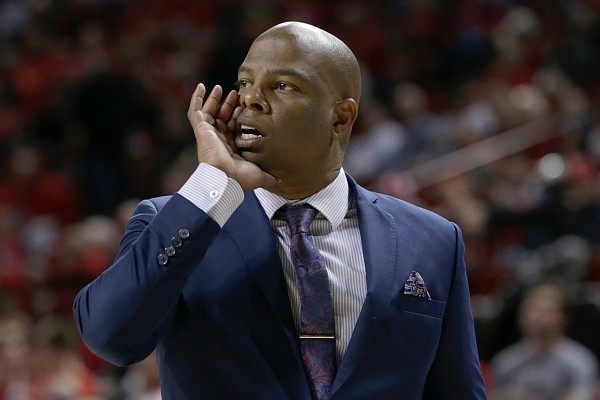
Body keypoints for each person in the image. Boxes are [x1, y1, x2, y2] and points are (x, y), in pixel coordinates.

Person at [73, 21, 487, 399]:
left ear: (341, 117)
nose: (251, 98)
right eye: (245, 82)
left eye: (283, 86)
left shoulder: (432, 240)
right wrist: (212, 182)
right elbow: (110, 337)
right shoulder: (177, 222)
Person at [491, 279, 599, 400]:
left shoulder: (580, 361)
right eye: (531, 309)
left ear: (564, 317)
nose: (536, 317)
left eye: (546, 311)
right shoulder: (505, 361)